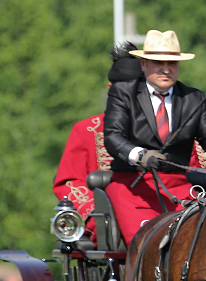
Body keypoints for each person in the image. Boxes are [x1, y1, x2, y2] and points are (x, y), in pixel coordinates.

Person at [104, 30, 206, 245]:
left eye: (172, 63)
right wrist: (140, 155)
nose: (165, 69)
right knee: (147, 245)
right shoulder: (123, 92)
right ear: (143, 64)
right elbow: (113, 136)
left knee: (198, 243)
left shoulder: (193, 97)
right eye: (157, 62)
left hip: (178, 187)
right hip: (132, 186)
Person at [52, 42, 143, 242]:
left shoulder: (162, 130)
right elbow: (68, 182)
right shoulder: (85, 130)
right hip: (106, 227)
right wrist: (99, 214)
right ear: (111, 89)